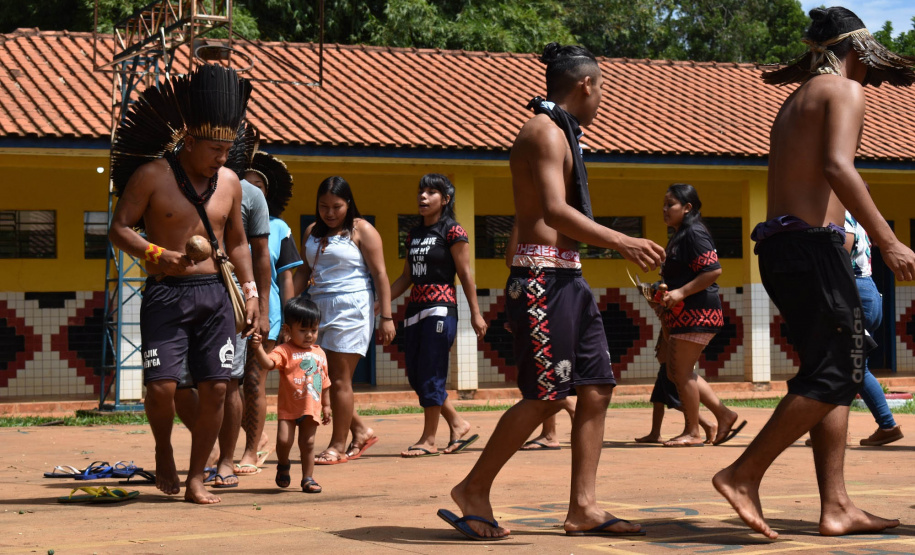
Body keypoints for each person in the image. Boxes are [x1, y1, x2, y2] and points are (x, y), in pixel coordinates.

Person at [437, 42, 665, 541]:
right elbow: (555, 211)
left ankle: (583, 507)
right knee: (545, 396)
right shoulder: (542, 131)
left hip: (567, 277)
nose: (603, 97)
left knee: (598, 389)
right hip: (542, 280)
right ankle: (473, 489)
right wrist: (623, 240)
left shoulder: (561, 131)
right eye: (602, 87)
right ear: (586, 84)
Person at [713, 7, 915, 539]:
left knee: (830, 374)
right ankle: (742, 473)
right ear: (860, 50)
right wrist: (889, 241)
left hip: (783, 249)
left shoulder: (797, 98)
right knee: (839, 373)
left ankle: (837, 506)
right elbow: (837, 166)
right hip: (811, 249)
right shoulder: (844, 91)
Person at [108, 64, 258, 504]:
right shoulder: (153, 176)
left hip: (214, 295)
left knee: (215, 386)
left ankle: (197, 476)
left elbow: (239, 243)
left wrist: (250, 295)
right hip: (166, 294)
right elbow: (119, 229)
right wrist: (158, 255)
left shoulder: (230, 183)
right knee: (162, 388)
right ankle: (162, 447)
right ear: (189, 143)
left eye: (228, 149)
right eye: (214, 149)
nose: (222, 158)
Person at [173, 125, 273, 489]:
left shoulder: (248, 195)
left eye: (228, 148)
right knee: (177, 385)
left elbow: (258, 253)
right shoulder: (169, 181)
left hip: (228, 297)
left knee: (228, 383)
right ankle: (209, 442)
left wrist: (258, 304)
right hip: (177, 298)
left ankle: (227, 461)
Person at [293, 176, 397, 464]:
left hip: (352, 308)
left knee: (339, 379)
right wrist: (289, 306)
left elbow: (380, 275)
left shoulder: (362, 230)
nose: (329, 212)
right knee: (321, 378)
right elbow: (304, 270)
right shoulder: (312, 231)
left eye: (337, 206)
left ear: (348, 204)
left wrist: (386, 316)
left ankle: (337, 445)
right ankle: (360, 431)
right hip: (317, 308)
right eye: (324, 206)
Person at [390, 174, 487, 458]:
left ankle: (428, 439)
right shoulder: (413, 234)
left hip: (442, 309)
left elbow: (466, 275)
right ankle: (457, 424)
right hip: (415, 310)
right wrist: (379, 303)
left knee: (432, 373)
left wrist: (476, 314)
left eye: (432, 192)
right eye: (421, 191)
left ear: (445, 200)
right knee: (416, 377)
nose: (423, 197)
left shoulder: (453, 231)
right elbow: (406, 276)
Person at [653, 184, 745, 447]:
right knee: (676, 373)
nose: (664, 209)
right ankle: (724, 414)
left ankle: (693, 432)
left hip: (698, 312)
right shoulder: (681, 234)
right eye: (664, 204)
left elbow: (713, 270)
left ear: (687, 207)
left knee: (680, 373)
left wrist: (680, 292)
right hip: (685, 314)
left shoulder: (694, 232)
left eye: (670, 204)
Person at [236, 149, 304, 475]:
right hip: (228, 311)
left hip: (267, 314)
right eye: (244, 184)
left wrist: (289, 322)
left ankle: (250, 450)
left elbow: (287, 277)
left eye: (258, 186)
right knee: (226, 388)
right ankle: (259, 438)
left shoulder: (279, 228)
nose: (250, 190)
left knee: (253, 382)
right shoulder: (225, 224)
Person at [251, 297, 331, 493]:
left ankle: (308, 478)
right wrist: (258, 348)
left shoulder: (320, 353)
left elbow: (325, 382)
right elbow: (268, 364)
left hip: (311, 408)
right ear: (288, 330)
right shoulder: (284, 351)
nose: (309, 335)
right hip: (288, 408)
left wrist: (327, 406)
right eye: (303, 330)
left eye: (313, 330)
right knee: (284, 440)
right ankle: (284, 464)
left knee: (309, 443)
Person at [844, 211, 903, 446]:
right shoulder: (860, 221)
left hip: (854, 292)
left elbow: (842, 260)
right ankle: (836, 430)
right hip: (868, 292)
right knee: (848, 367)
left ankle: (887, 424)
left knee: (855, 367)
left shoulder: (845, 219)